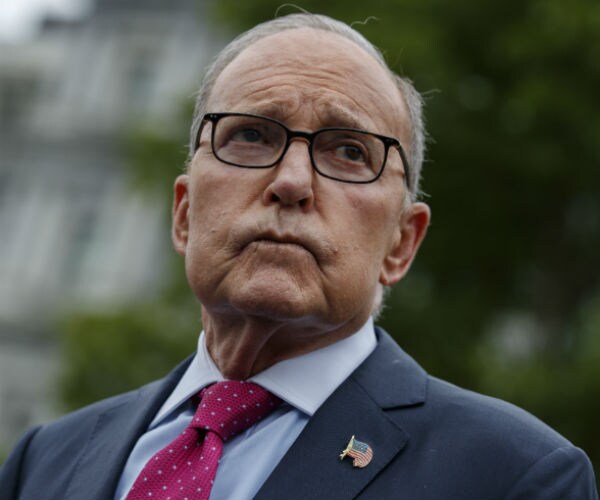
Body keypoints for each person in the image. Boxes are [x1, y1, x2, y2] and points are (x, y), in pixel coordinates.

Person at [0, 12, 597, 500]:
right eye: (252, 135)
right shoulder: (45, 462)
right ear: (184, 214)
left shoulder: (513, 477)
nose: (291, 181)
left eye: (348, 152)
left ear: (401, 243)